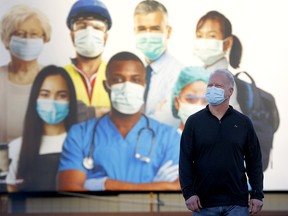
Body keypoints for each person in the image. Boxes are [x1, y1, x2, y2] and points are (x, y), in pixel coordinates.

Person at [57, 51, 180, 191]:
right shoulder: (80, 134)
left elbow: (179, 190)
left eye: (135, 80)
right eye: (118, 80)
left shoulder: (169, 137)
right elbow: (70, 189)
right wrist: (159, 187)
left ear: (144, 85)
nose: (127, 86)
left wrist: (105, 185)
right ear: (106, 85)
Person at [179, 69, 264, 215]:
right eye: (210, 85)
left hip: (237, 203)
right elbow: (185, 161)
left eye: (218, 86)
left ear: (230, 91)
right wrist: (188, 193)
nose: (212, 89)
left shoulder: (243, 122)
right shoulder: (193, 122)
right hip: (203, 203)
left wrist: (257, 194)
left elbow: (254, 161)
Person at [5, 65, 78, 192]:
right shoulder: (16, 148)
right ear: (35, 99)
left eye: (61, 95)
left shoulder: (84, 145)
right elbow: (10, 195)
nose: (52, 102)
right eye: (45, 94)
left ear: (70, 100)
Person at [0, 4, 51, 144]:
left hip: (41, 163)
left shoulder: (53, 80)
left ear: (44, 38)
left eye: (34, 34)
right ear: (6, 40)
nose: (28, 40)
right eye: (20, 34)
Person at [134, 0, 184, 127]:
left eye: (155, 29)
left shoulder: (179, 75)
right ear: (135, 32)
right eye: (142, 29)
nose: (148, 35)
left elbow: (164, 124)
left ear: (168, 32)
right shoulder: (131, 71)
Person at [64, 0, 112, 120]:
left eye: (97, 27)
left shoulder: (116, 75)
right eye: (82, 26)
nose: (89, 32)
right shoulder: (60, 76)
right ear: (72, 36)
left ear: (105, 37)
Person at [192, 10, 242, 112]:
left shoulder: (223, 79)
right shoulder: (204, 72)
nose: (204, 41)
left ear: (227, 43)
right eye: (200, 36)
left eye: (211, 36)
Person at [171, 66, 209, 133]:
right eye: (191, 99)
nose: (198, 108)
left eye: (205, 101)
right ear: (177, 101)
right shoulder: (165, 141)